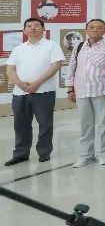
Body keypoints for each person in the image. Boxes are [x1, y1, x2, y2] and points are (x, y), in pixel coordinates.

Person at [5, 18, 64, 166]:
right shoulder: (18, 48)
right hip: (20, 93)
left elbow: (56, 66)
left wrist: (37, 83)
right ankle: (21, 154)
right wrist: (21, 84)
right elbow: (10, 70)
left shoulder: (51, 45)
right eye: (29, 26)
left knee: (45, 124)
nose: (33, 28)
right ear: (24, 30)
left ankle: (44, 153)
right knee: (21, 124)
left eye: (36, 25)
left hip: (44, 92)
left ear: (43, 29)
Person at [67, 19, 105, 168]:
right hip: (82, 91)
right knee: (85, 125)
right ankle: (86, 155)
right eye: (92, 27)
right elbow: (72, 68)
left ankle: (104, 154)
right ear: (86, 30)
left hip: (102, 91)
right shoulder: (79, 47)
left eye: (99, 27)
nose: (95, 30)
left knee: (103, 124)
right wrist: (70, 89)